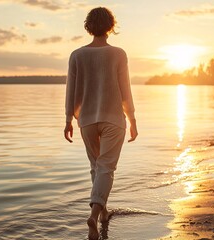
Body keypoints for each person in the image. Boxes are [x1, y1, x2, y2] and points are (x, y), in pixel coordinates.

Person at [64, 7, 138, 240]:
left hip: (86, 121)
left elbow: (71, 91)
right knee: (106, 167)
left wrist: (68, 119)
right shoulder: (118, 54)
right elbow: (125, 90)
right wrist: (133, 118)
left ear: (89, 27)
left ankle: (103, 212)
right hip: (113, 120)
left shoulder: (77, 55)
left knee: (97, 167)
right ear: (110, 26)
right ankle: (94, 216)